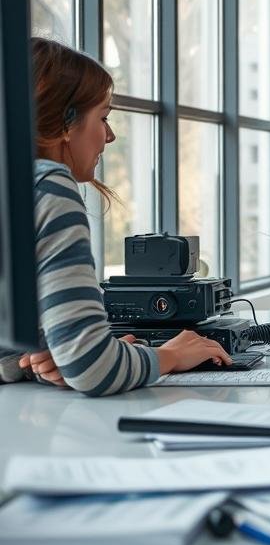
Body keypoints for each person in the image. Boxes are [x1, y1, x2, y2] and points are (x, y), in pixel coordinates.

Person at [0, 38, 232, 396]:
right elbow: (93, 370)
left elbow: (79, 361)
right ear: (65, 123)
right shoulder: (48, 187)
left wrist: (31, 361)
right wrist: (166, 356)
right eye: (103, 117)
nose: (109, 136)